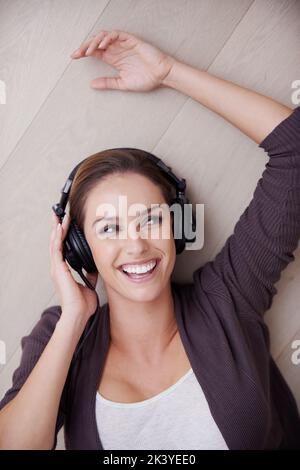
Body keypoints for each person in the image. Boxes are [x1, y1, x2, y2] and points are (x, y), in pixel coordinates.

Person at [0, 29, 299, 450]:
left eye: (150, 220)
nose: (136, 245)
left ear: (178, 227)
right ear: (80, 247)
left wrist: (170, 72)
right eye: (108, 228)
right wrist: (73, 318)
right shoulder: (61, 334)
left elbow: (295, 149)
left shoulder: (228, 299)